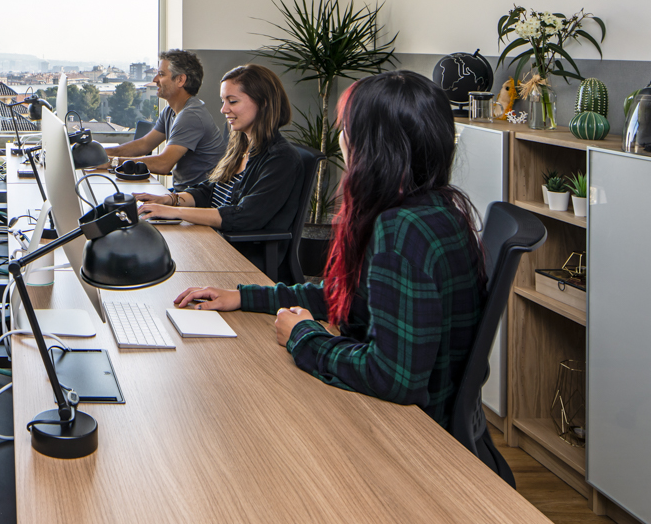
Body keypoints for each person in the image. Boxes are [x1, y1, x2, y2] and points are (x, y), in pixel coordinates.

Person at [174, 71, 486, 430]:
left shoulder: (401, 232)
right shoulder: (438, 210)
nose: (341, 138)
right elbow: (348, 296)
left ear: (371, 145)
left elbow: (392, 377)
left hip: (410, 434)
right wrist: (243, 297)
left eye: (346, 128)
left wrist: (303, 336)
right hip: (422, 419)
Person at [135, 63, 304, 279]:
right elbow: (209, 191)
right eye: (224, 101)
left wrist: (175, 213)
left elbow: (243, 218)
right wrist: (171, 200)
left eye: (232, 101)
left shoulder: (281, 158)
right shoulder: (241, 145)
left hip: (239, 260)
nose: (224, 110)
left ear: (263, 103)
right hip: (213, 243)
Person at [105, 49, 225, 188]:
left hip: (200, 201)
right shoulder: (170, 111)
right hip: (183, 193)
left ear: (180, 80)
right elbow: (144, 145)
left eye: (161, 74)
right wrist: (103, 155)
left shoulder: (191, 115)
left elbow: (164, 164)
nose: (155, 80)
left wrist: (113, 162)